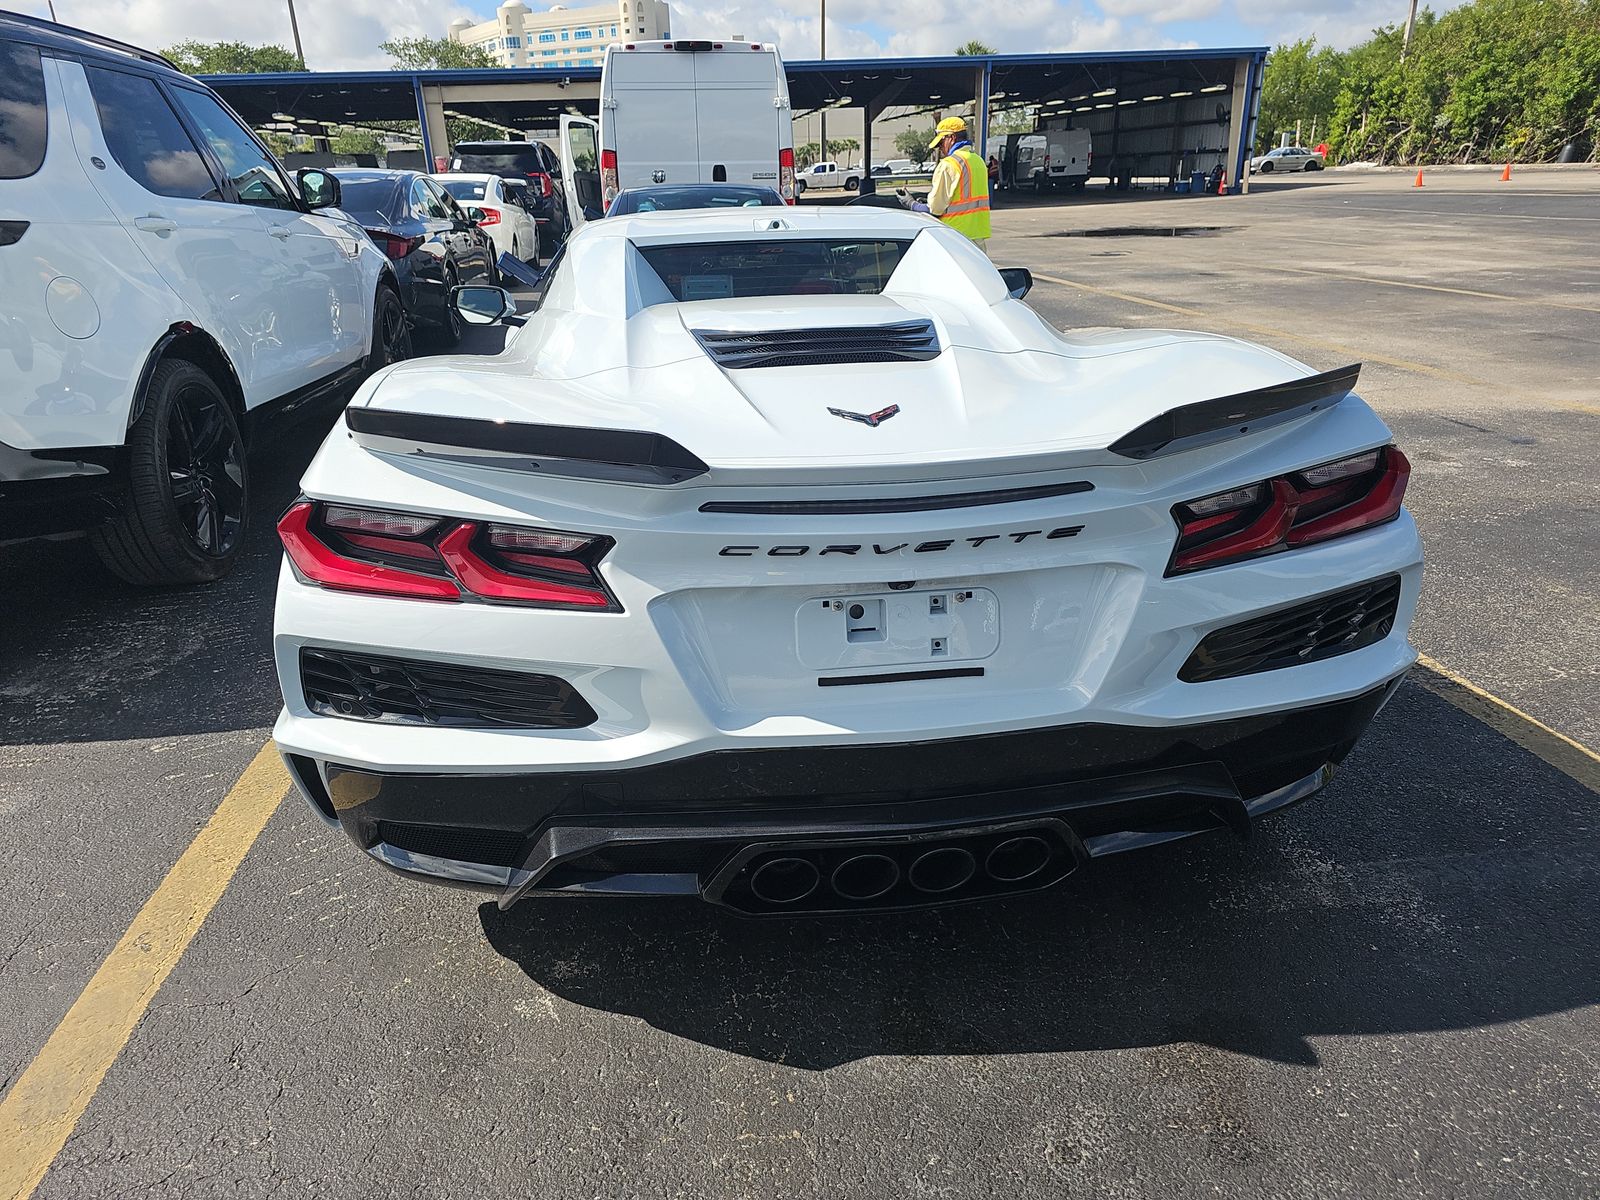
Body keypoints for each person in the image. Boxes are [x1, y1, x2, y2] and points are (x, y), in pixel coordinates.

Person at [924, 116, 992, 252]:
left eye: (941, 143)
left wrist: (913, 204)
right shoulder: (978, 161)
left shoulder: (948, 165)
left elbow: (936, 208)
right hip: (977, 238)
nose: (941, 149)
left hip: (954, 237)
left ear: (951, 137)